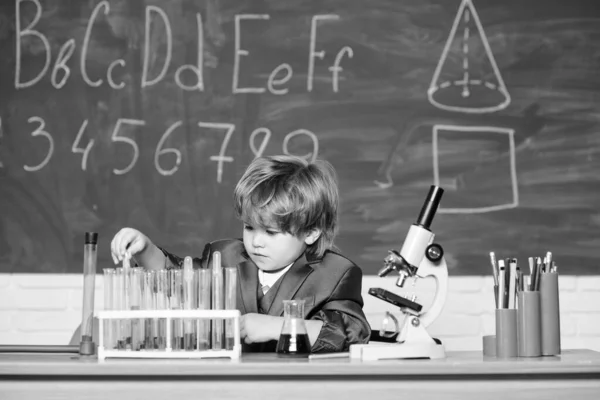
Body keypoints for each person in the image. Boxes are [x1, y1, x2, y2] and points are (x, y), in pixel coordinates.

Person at [110, 155, 371, 353]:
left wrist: (279, 326)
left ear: (311, 233)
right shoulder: (225, 256)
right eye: (249, 227)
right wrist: (144, 249)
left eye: (270, 232)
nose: (256, 241)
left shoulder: (335, 273)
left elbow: (351, 334)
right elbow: (176, 279)